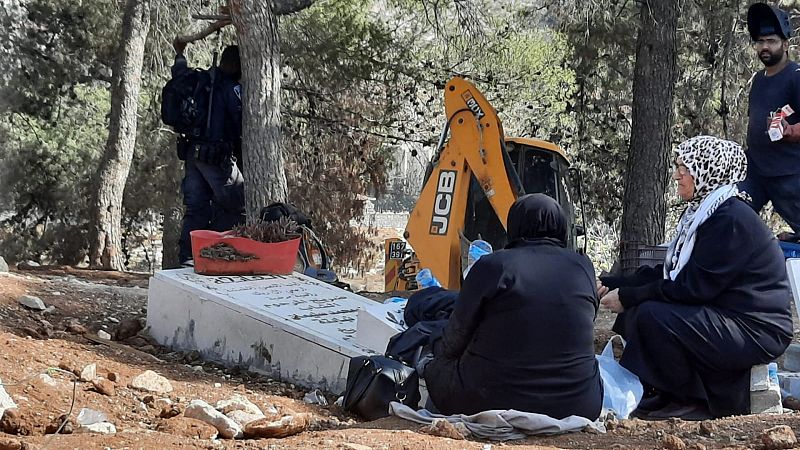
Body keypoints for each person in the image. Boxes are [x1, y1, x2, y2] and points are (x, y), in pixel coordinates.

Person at [599, 135, 793, 420]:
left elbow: (693, 288)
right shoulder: (705, 213)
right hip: (729, 314)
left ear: (707, 172)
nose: (677, 175)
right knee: (640, 311)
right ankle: (663, 390)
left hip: (756, 327)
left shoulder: (731, 219)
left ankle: (691, 399)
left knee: (651, 314)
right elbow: (671, 272)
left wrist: (629, 297)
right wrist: (614, 284)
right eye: (678, 166)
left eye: (685, 168)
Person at [423, 193, 603, 419]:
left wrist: (435, 351)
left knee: (434, 365)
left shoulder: (493, 265)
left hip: (491, 399)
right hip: (579, 403)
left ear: (515, 225)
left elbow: (454, 340)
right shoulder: (583, 267)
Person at [172, 38, 246, 266]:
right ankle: (221, 256)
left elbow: (179, 75)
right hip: (215, 156)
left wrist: (180, 54)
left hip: (193, 153)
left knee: (196, 208)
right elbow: (238, 124)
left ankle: (188, 257)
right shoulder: (231, 88)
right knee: (237, 204)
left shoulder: (202, 81)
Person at [740, 2, 800, 237]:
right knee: (733, 216)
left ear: (785, 44)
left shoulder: (795, 77)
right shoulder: (759, 79)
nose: (765, 47)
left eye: (771, 41)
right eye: (760, 42)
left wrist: (790, 132)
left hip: (789, 175)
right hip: (755, 171)